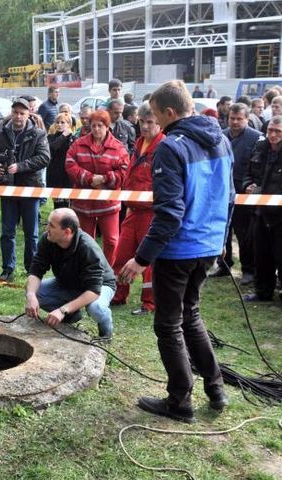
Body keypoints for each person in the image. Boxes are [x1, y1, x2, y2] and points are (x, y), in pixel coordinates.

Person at [119, 80, 232, 423]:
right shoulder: (222, 139)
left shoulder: (170, 147)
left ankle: (179, 401)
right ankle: (216, 388)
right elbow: (231, 196)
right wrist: (220, 241)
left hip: (180, 248)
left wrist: (141, 259)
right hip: (208, 245)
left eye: (154, 115)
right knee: (191, 316)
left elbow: (169, 213)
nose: (152, 121)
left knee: (168, 325)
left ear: (169, 113)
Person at [25, 208, 116, 339]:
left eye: (52, 225)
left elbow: (94, 291)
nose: (47, 229)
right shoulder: (48, 239)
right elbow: (35, 270)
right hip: (68, 282)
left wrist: (62, 310)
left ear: (67, 232)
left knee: (96, 308)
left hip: (100, 286)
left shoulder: (88, 248)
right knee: (36, 292)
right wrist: (31, 295)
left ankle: (106, 334)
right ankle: (72, 316)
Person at [0, 97, 50, 281]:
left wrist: (21, 166)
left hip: (30, 189)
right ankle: (8, 269)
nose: (18, 116)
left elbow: (45, 158)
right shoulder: (2, 134)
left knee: (31, 233)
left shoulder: (38, 134)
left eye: (22, 113)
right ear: (11, 113)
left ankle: (32, 269)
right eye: (15, 112)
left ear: (28, 113)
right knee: (7, 232)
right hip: (8, 189)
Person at [112, 101, 165, 314]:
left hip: (151, 212)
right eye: (142, 121)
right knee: (121, 254)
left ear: (159, 123)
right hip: (133, 210)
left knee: (148, 261)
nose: (144, 126)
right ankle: (119, 294)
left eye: (149, 122)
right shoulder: (139, 143)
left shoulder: (163, 146)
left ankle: (149, 302)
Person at [66, 110, 129, 267]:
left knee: (112, 240)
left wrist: (105, 178)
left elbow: (125, 170)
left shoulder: (118, 147)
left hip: (108, 203)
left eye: (100, 126)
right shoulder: (78, 144)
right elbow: (69, 163)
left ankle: (109, 271)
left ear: (107, 127)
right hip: (83, 203)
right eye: (93, 125)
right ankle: (89, 269)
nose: (96, 129)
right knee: (86, 240)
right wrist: (89, 178)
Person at [211, 103, 263, 283]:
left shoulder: (257, 138)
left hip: (243, 192)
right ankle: (224, 264)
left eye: (239, 119)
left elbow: (259, 167)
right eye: (232, 118)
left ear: (247, 119)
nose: (235, 122)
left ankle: (248, 269)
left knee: (243, 234)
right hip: (221, 192)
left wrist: (252, 185)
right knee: (222, 230)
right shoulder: (220, 136)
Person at [242, 115, 282, 303]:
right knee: (262, 254)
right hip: (260, 212)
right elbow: (247, 173)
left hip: (280, 216)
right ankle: (263, 292)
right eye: (270, 131)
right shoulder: (260, 147)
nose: (273, 135)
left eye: (278, 132)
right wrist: (248, 185)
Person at [46, 112, 74, 209]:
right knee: (58, 204)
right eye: (57, 122)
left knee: (68, 204)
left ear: (68, 124)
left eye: (63, 122)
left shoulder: (73, 138)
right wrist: (63, 136)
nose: (59, 124)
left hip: (68, 175)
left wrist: (68, 136)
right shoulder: (51, 137)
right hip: (55, 174)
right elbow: (52, 148)